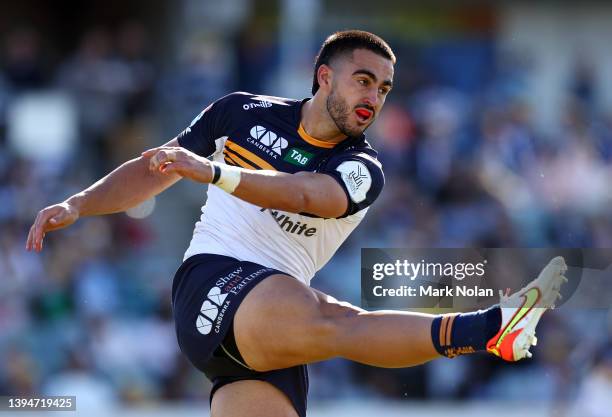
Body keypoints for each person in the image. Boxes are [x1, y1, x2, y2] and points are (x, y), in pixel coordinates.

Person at [26, 30, 567, 417]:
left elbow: (312, 196)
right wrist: (79, 204)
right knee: (340, 324)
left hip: (267, 331)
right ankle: (489, 328)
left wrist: (215, 172)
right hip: (215, 285)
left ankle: (492, 328)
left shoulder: (364, 166)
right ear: (324, 76)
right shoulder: (240, 111)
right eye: (362, 81)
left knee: (335, 323)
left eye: (383, 89)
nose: (372, 98)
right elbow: (154, 170)